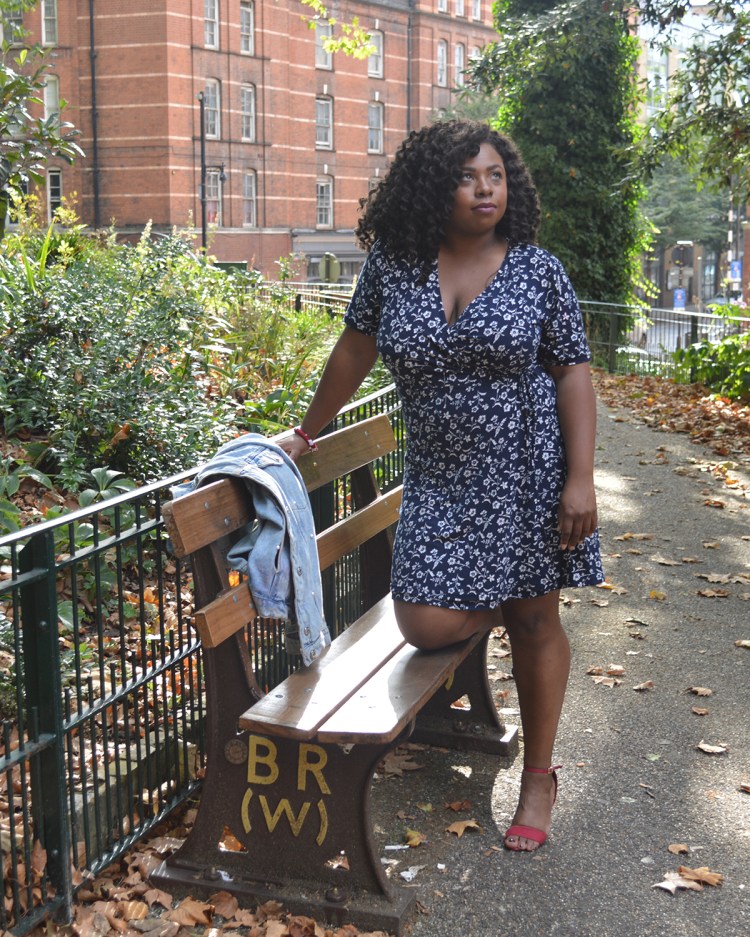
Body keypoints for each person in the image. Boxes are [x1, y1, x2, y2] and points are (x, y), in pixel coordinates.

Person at [280, 119, 604, 853]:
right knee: (424, 623)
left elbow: (573, 373)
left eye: (496, 176)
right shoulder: (394, 267)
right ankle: (502, 601)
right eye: (467, 177)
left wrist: (580, 478)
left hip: (525, 473)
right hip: (440, 479)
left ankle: (539, 777)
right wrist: (305, 431)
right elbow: (354, 347)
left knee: (536, 621)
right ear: (434, 188)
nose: (486, 190)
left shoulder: (537, 270)